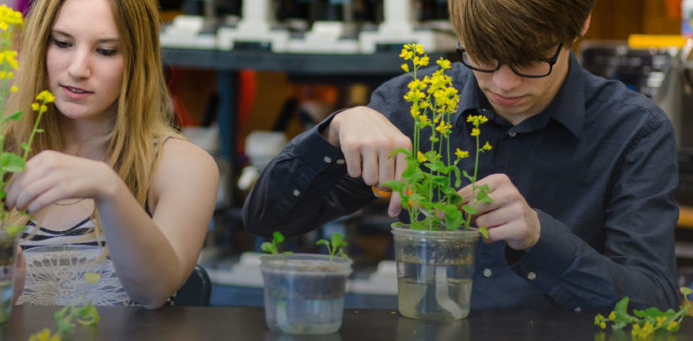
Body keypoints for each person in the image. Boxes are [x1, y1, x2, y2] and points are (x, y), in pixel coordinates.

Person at [244, 0, 681, 311]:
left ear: (581, 22)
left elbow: (654, 301)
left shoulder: (633, 131)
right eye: (483, 57)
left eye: (529, 62)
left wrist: (537, 236)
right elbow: (268, 221)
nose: (504, 84)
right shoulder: (415, 106)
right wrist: (334, 131)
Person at [0, 0, 218, 309]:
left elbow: (154, 291)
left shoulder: (182, 166)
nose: (78, 69)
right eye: (62, 43)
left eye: (105, 51)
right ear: (38, 47)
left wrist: (109, 189)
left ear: (137, 58)